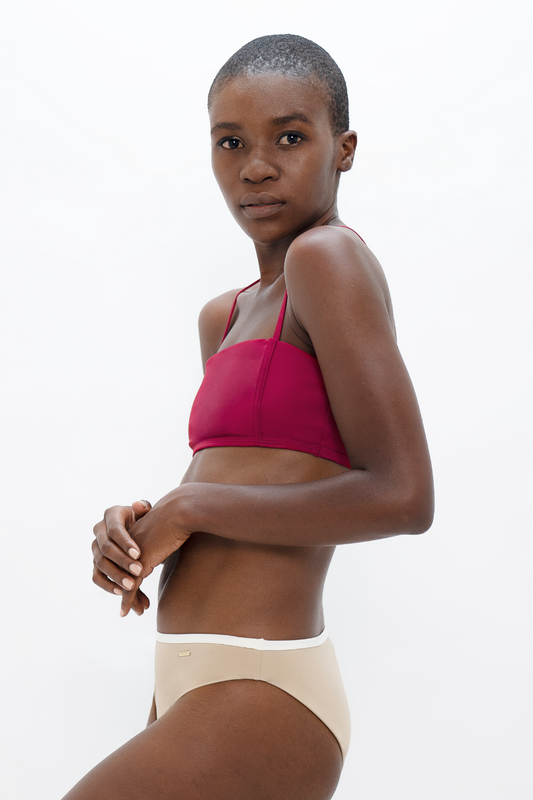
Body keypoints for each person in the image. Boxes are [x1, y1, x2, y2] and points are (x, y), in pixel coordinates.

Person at [64, 34, 434, 800]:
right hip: (189, 680)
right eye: (230, 142)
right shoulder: (225, 316)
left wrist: (191, 507)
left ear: (343, 149)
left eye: (289, 138)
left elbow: (403, 496)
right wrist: (138, 528)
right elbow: (254, 477)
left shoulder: (324, 260)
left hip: (261, 683)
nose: (255, 167)